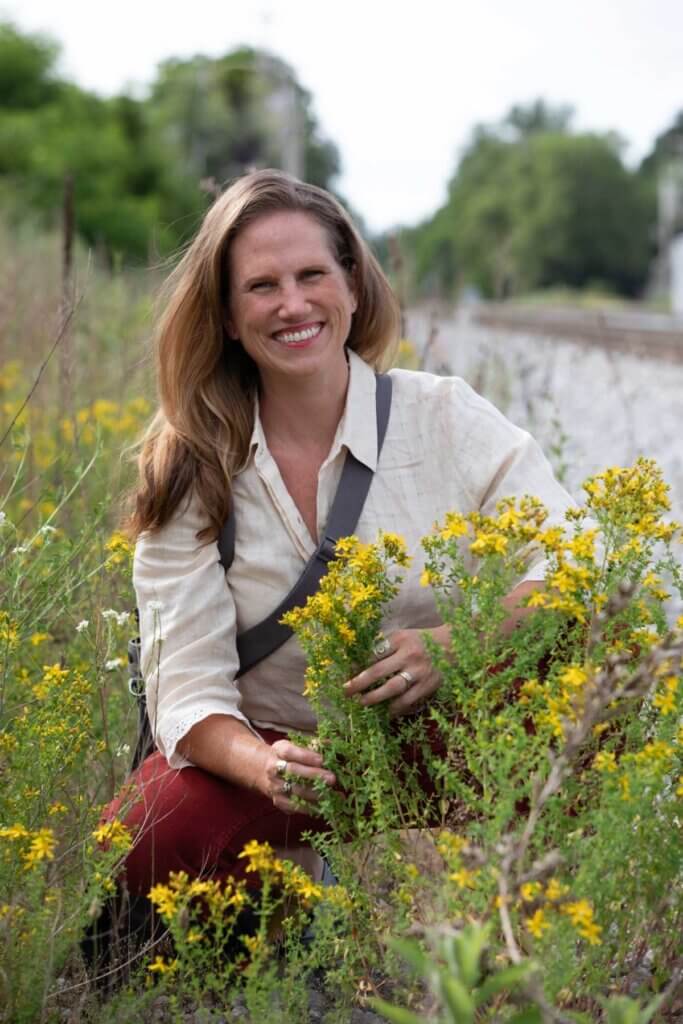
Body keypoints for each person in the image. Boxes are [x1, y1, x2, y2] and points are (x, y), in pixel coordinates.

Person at [104, 168, 575, 905]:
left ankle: (536, 919)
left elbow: (577, 560)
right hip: (283, 759)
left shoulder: (442, 415)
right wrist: (265, 767)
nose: (293, 304)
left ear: (353, 286)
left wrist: (461, 642)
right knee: (145, 827)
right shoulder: (190, 465)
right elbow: (186, 694)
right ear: (227, 316)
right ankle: (288, 913)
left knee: (602, 679)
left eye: (312, 274)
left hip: (442, 740)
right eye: (261, 286)